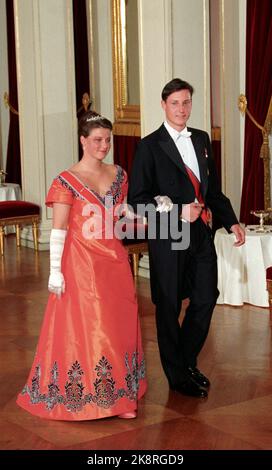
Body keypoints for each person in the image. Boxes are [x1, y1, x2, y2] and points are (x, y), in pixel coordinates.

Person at [17, 111, 147, 420]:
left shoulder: (119, 174)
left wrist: (159, 215)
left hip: (114, 261)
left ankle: (120, 394)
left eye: (108, 140)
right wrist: (54, 270)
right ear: (83, 141)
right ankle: (99, 399)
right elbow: (59, 227)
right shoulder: (66, 180)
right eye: (98, 140)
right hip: (81, 264)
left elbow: (122, 218)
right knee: (93, 328)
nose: (104, 145)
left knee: (118, 325)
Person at [128, 78, 245, 398]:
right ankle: (178, 376)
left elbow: (213, 190)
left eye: (186, 102)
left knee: (207, 296)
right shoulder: (149, 146)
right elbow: (137, 200)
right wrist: (178, 211)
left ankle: (185, 361)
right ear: (164, 105)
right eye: (175, 103)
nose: (182, 109)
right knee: (168, 305)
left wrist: (230, 221)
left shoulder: (202, 139)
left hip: (200, 234)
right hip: (168, 234)